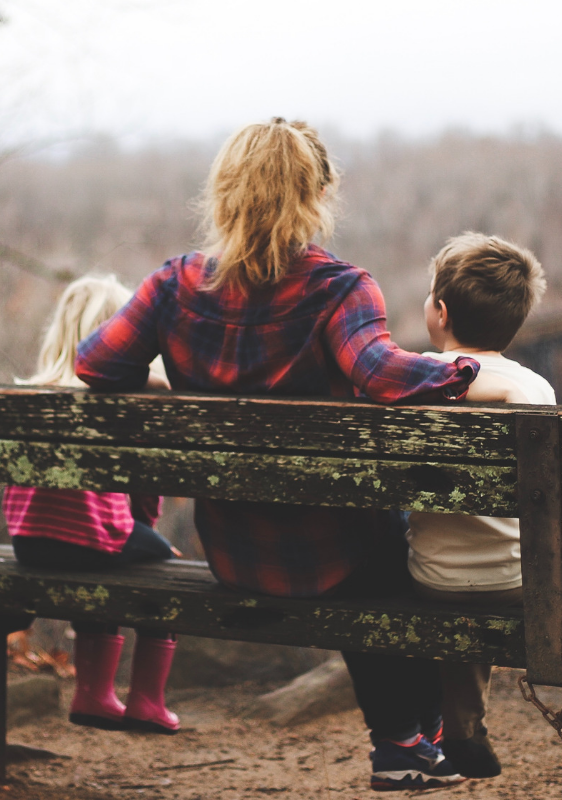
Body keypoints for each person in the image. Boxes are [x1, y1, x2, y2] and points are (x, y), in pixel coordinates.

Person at [74, 118, 524, 790]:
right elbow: (381, 375)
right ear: (317, 194)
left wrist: (167, 380)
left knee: (379, 546)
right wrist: (465, 372)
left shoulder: (173, 286)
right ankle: (410, 741)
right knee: (409, 550)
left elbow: (94, 364)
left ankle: (414, 742)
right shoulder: (337, 288)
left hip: (233, 551)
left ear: (224, 191)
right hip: (333, 554)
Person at [3, 274, 180, 735]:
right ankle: (145, 702)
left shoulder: (30, 394)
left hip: (28, 543)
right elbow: (142, 492)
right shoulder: (118, 400)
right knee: (164, 568)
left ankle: (93, 694)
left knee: (104, 553)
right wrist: (149, 534)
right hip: (89, 539)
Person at [406, 232, 554, 778]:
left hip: (432, 576)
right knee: (501, 555)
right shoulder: (534, 388)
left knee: (466, 562)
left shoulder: (414, 379)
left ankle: (463, 727)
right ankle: (464, 727)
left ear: (439, 312)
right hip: (521, 579)